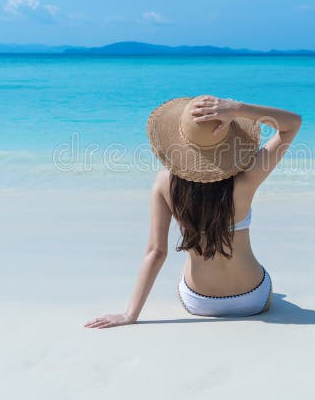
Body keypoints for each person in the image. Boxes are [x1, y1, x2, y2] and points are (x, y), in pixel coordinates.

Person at [84, 95, 302, 328]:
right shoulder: (247, 178)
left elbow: (156, 252)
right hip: (253, 297)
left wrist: (130, 314)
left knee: (192, 258)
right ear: (230, 141)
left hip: (200, 302)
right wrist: (238, 109)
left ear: (179, 142)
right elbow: (292, 124)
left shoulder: (164, 184)